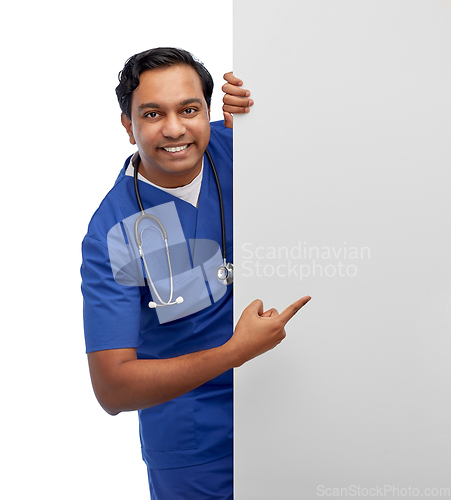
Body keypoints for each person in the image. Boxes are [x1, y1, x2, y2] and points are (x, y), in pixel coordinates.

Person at [81, 47, 310, 500]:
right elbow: (113, 388)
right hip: (195, 448)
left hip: (291, 403)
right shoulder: (114, 232)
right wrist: (234, 352)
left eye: (189, 109)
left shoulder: (239, 148)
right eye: (152, 113)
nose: (174, 129)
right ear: (128, 126)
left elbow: (329, 140)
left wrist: (265, 103)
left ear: (208, 110)